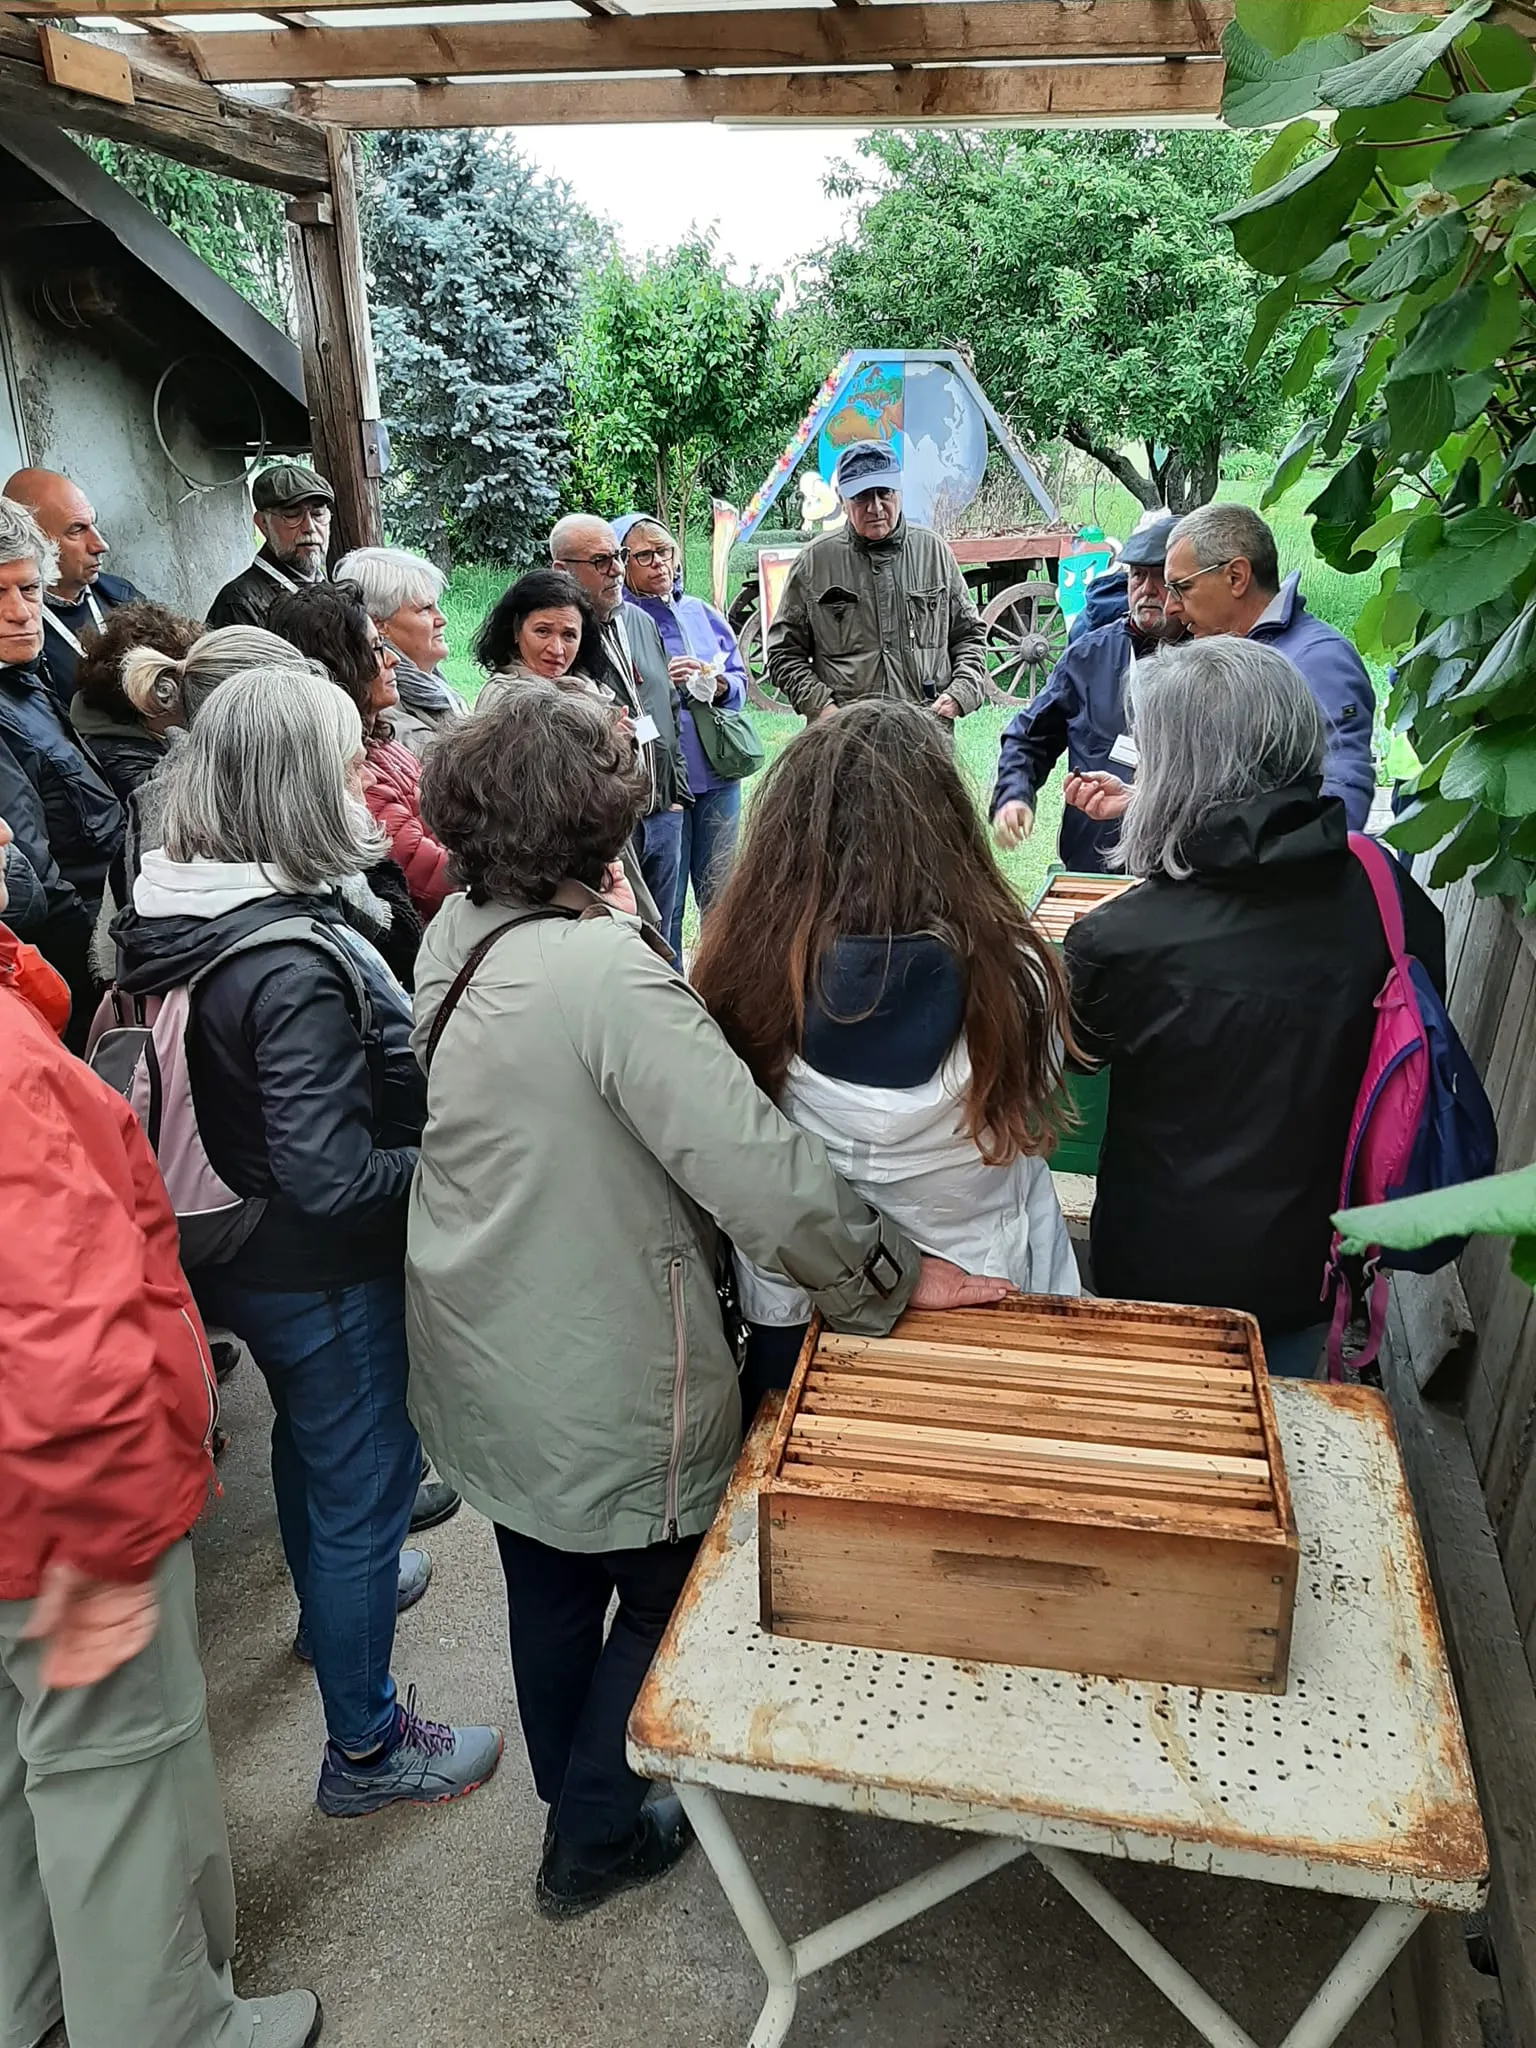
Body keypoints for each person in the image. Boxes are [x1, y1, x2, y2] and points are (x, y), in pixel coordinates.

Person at [406, 685, 1005, 1918]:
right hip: (600, 1354)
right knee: (672, 1588)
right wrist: (893, 1278)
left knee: (548, 1582)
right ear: (594, 822)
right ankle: (591, 1832)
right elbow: (758, 1171)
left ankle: (571, 1791)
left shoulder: (460, 929)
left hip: (487, 1331)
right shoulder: (604, 976)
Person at [110, 669, 500, 1816]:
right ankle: (367, 1746)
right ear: (294, 787)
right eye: (341, 765)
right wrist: (464, 1167)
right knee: (364, 1487)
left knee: (315, 1450)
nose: (361, 785)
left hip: (230, 1246)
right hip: (318, 1271)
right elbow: (332, 1180)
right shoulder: (284, 959)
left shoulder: (171, 902)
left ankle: (330, 1614)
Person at [0, 843, 323, 2048]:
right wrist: (130, 1502)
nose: (9, 840)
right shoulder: (10, 1071)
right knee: (112, 1761)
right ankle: (168, 2024)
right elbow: (60, 1328)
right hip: (62, 1508)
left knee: (19, 1757)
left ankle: (31, 1994)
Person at [1062, 637, 1444, 1380]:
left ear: (1177, 775)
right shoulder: (1389, 896)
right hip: (1319, 1264)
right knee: (1288, 1424)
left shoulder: (1121, 939)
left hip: (1157, 1269)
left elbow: (1074, 1056)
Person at [695, 701, 1080, 1407]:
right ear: (948, 829)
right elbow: (1035, 1091)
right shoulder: (1019, 977)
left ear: (786, 837)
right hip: (986, 1288)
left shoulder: (742, 978)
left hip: (801, 1305)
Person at [1161, 502, 1377, 830]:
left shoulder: (1318, 659)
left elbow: (1340, 804)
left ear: (1236, 577)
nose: (1169, 607)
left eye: (1182, 587)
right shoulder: (1230, 654)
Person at [991, 512, 1182, 874]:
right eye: (1138, 575)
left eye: (1160, 576)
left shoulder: (1211, 659)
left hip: (1179, 870)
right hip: (1095, 866)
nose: (1147, 589)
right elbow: (1029, 737)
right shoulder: (1088, 655)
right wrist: (1014, 794)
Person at [0, 496, 122, 1047]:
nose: (20, 611)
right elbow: (35, 887)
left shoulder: (26, 675)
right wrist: (108, 975)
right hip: (79, 972)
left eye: (29, 589)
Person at [766, 441, 988, 724]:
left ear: (899, 492)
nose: (876, 507)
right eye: (861, 496)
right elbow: (783, 653)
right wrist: (823, 708)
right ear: (842, 499)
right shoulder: (814, 562)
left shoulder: (933, 552)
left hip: (925, 732)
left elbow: (969, 636)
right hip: (844, 734)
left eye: (884, 492)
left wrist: (961, 693)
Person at [269, 580, 451, 922]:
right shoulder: (350, 778)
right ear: (339, 667)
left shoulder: (380, 741)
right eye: (375, 649)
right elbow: (437, 881)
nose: (392, 659)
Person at [613, 513, 752, 960]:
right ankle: (670, 984)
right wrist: (662, 684)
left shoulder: (699, 612)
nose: (659, 563)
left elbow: (739, 678)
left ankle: (724, 983)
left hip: (718, 774)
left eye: (665, 551)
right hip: (661, 786)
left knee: (722, 895)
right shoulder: (622, 622)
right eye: (645, 555)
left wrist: (720, 684)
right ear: (622, 562)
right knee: (665, 904)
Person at [550, 513, 691, 943]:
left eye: (620, 556)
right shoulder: (560, 639)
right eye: (601, 561)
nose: (616, 569)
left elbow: (668, 707)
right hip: (611, 826)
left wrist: (676, 793)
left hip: (663, 811)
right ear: (562, 570)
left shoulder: (640, 622)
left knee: (667, 932)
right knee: (625, 937)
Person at [3, 467, 145, 710]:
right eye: (77, 530)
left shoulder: (123, 594)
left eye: (93, 524)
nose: (100, 545)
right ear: (33, 540)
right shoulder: (18, 635)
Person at [333, 546, 467, 758]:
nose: (442, 619)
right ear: (379, 625)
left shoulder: (429, 684)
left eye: (437, 606)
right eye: (425, 609)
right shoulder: (385, 708)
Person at [70, 600, 201, 807]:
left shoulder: (154, 729)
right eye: (189, 682)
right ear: (158, 692)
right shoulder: (122, 763)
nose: (197, 693)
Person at [206, 464, 333, 631]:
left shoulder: (327, 586)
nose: (309, 527)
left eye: (318, 514)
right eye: (292, 515)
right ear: (263, 524)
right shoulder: (239, 604)